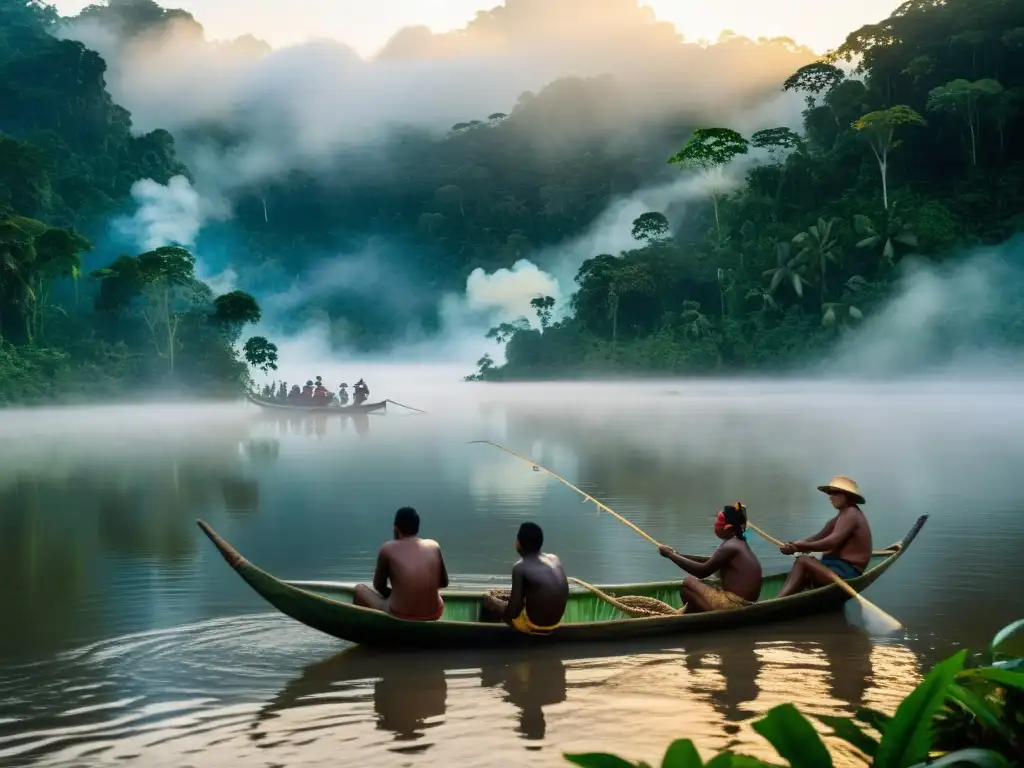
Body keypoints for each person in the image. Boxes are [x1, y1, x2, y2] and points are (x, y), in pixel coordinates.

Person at [774, 475, 873, 598]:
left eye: (834, 494)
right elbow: (817, 537)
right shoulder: (841, 516)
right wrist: (794, 545)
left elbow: (831, 542)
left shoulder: (851, 514)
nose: (831, 498)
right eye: (830, 494)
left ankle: (778, 600)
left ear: (846, 495)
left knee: (803, 560)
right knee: (805, 564)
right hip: (835, 567)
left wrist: (799, 547)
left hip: (847, 573)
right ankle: (788, 599)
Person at [657, 503, 762, 612]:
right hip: (744, 602)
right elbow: (709, 562)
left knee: (689, 583)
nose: (715, 525)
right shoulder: (737, 543)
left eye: (719, 522)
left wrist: (670, 555)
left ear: (728, 528)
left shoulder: (731, 545)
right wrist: (677, 554)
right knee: (703, 583)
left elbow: (702, 571)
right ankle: (689, 613)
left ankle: (692, 616)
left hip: (736, 604)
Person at [354, 507, 449, 621]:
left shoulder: (387, 548)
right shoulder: (434, 545)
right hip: (435, 613)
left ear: (395, 528)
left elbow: (378, 586)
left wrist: (400, 595)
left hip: (401, 615)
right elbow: (444, 583)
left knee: (360, 589)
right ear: (417, 527)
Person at [481, 522, 568, 635]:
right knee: (504, 601)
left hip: (534, 625)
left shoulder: (520, 567)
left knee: (487, 600)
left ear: (518, 543)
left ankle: (489, 635)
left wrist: (499, 608)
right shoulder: (554, 558)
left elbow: (513, 612)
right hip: (555, 623)